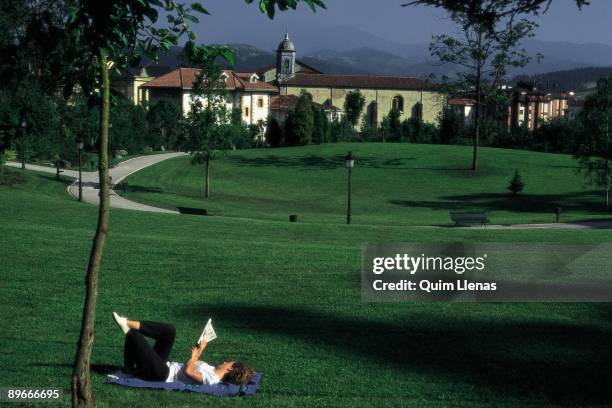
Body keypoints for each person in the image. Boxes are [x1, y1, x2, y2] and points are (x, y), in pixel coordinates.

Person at [112, 312, 255, 386]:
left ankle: (128, 361)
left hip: (162, 374)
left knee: (136, 338)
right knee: (169, 331)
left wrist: (193, 357)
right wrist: (200, 349)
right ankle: (127, 322)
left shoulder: (212, 379)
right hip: (164, 366)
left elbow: (188, 371)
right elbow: (193, 364)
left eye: (228, 362)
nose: (225, 361)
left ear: (230, 369)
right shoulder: (212, 370)